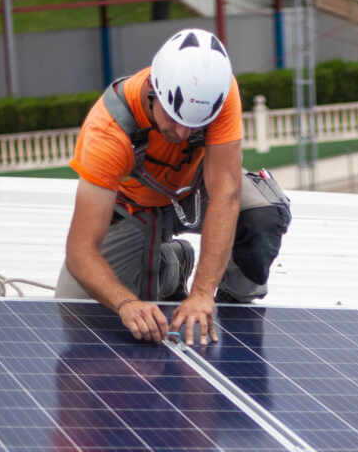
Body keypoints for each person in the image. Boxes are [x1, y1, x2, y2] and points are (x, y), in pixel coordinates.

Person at [56, 28, 290, 346]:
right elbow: (81, 251)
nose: (182, 133)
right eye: (174, 118)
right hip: (132, 209)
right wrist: (126, 304)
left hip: (196, 192)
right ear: (153, 88)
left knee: (262, 213)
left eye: (194, 124)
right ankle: (170, 266)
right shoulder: (107, 132)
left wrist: (202, 294)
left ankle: (230, 308)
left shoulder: (219, 92)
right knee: (79, 308)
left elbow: (225, 193)